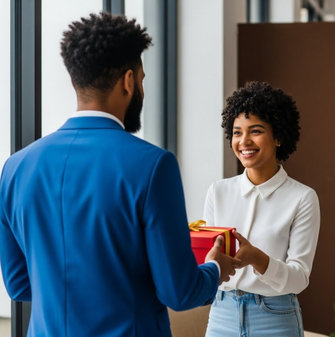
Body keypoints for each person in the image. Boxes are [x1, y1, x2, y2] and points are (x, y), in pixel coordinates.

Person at [0, 12, 238, 337]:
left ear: (74, 81)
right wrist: (216, 269)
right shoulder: (153, 165)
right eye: (141, 78)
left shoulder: (16, 167)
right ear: (129, 81)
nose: (141, 87)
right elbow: (179, 292)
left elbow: (18, 284)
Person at [203, 81, 321, 337]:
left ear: (278, 136)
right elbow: (209, 257)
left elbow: (299, 279)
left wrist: (257, 258)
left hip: (275, 318)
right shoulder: (218, 191)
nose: (244, 141)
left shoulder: (302, 198)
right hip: (222, 314)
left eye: (255, 131)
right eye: (237, 132)